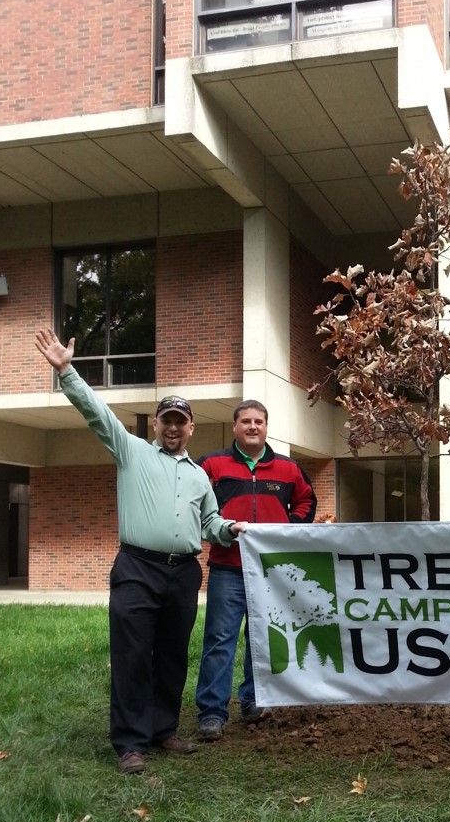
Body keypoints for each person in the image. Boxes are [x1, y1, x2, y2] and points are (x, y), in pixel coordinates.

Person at [34, 328, 248, 776]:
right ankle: (130, 742)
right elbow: (97, 414)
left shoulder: (199, 477)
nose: (172, 428)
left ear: (191, 428)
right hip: (137, 567)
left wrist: (228, 529)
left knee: (172, 653)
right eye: (166, 420)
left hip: (183, 573)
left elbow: (209, 524)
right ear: (156, 424)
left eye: (180, 422)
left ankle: (162, 729)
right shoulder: (131, 452)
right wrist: (66, 371)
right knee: (132, 655)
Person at [195, 401, 317, 740]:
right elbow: (195, 504)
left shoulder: (288, 469)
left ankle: (253, 700)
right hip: (227, 567)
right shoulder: (212, 465)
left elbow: (307, 501)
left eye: (258, 421)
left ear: (266, 427)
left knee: (261, 637)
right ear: (234, 427)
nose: (252, 427)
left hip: (270, 571)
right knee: (220, 640)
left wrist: (287, 527)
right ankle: (212, 712)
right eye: (245, 421)